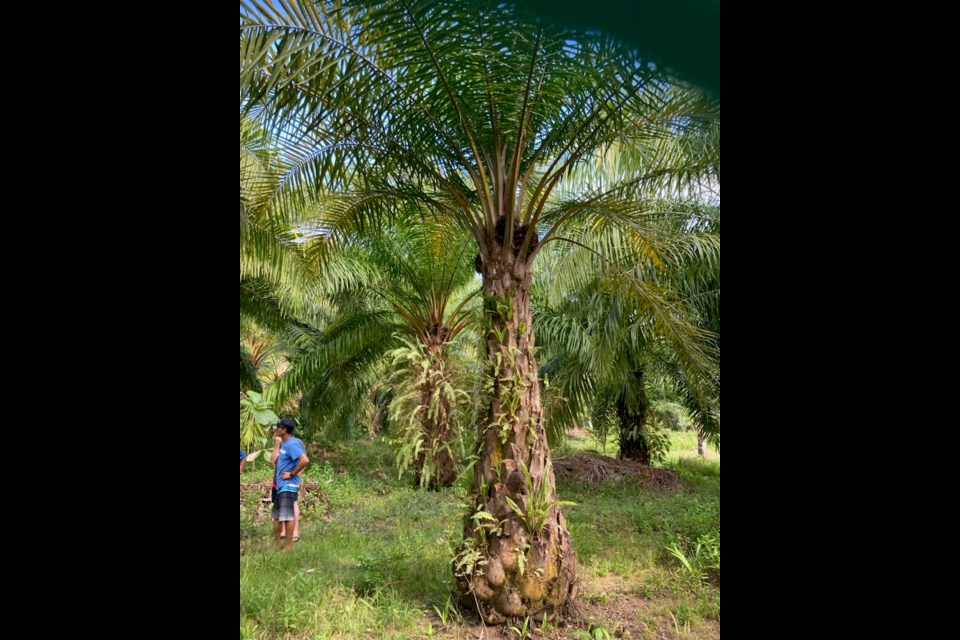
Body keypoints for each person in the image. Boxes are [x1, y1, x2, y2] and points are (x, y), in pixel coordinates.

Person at [270, 417, 309, 550]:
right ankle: (276, 544)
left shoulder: (292, 444)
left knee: (287, 516)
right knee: (277, 515)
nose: (276, 429)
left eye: (278, 427)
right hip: (280, 485)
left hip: (288, 485)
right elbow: (273, 460)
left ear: (284, 429)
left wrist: (292, 473)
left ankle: (287, 547)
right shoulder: (284, 444)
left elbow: (304, 460)